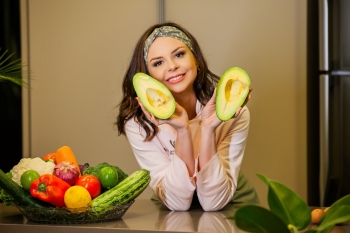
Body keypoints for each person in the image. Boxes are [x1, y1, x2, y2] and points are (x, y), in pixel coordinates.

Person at [116, 22, 259, 211]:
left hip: (232, 202)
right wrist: (182, 129)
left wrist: (209, 128)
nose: (172, 66)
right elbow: (177, 204)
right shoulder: (138, 123)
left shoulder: (234, 113)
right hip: (174, 204)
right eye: (158, 63)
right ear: (147, 75)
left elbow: (213, 203)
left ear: (196, 60)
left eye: (179, 54)